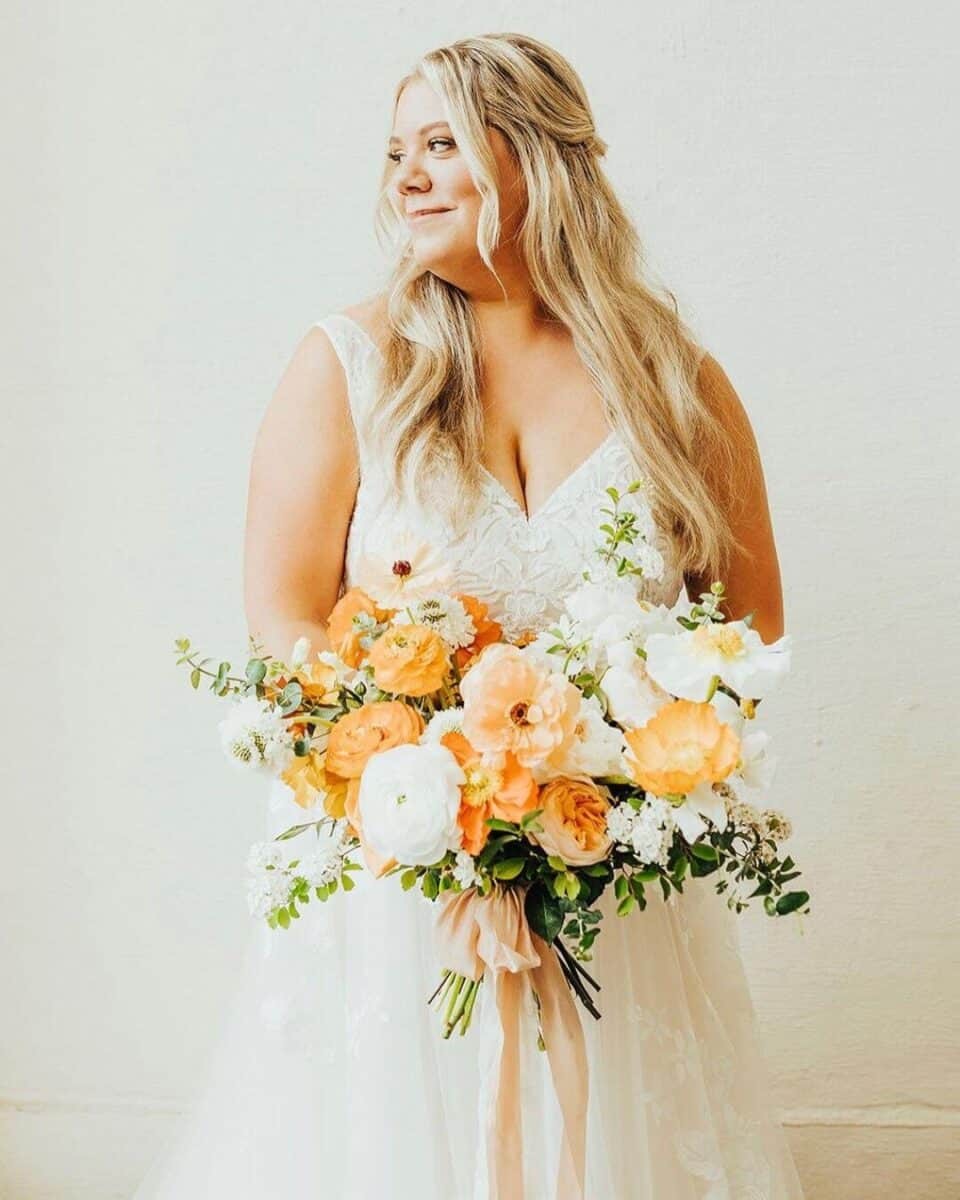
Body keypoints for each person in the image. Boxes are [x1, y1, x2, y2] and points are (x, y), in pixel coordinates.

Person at [134, 32, 805, 1199]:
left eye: (440, 144)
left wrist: (607, 775)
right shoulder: (350, 364)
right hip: (406, 883)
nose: (403, 177)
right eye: (395, 150)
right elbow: (283, 610)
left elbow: (744, 638)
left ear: (537, 155)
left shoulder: (676, 384)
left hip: (611, 884)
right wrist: (433, 781)